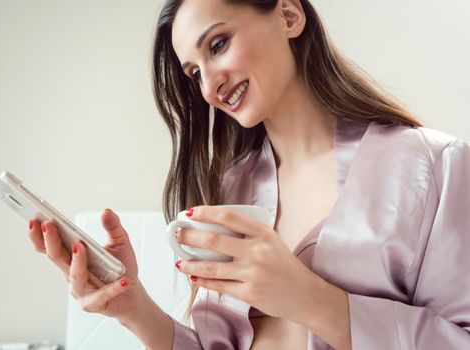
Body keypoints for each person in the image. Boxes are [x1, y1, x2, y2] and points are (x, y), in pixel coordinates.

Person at [27, 0, 470, 349]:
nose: (208, 86)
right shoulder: (230, 189)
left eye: (218, 45)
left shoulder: (433, 166)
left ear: (289, 15)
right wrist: (133, 307)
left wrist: (312, 301)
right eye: (195, 72)